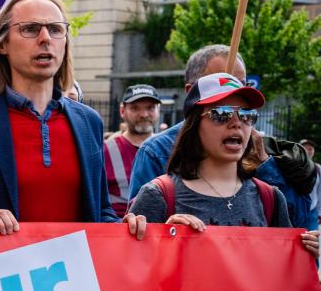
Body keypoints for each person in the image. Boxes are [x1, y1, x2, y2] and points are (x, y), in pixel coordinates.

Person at [0, 0, 144, 236]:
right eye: (30, 29)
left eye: (56, 29)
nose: (45, 38)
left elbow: (100, 212)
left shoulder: (88, 121)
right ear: (3, 44)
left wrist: (129, 229)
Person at [129, 44, 318, 230]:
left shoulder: (270, 197)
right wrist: (163, 236)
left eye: (246, 114)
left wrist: (304, 246)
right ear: (194, 122)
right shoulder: (157, 186)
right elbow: (134, 240)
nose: (237, 122)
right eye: (221, 113)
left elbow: (296, 228)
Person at [103, 84, 161, 218]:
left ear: (159, 110)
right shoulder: (105, 151)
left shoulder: (170, 149)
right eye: (135, 108)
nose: (144, 114)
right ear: (122, 111)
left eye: (150, 108)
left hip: (163, 227)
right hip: (118, 226)